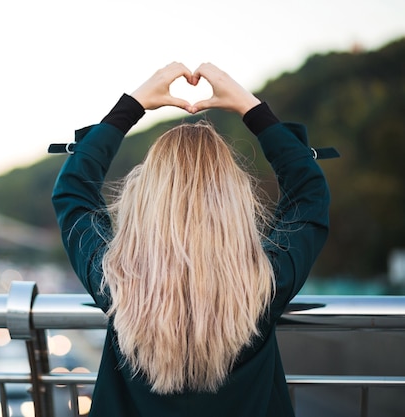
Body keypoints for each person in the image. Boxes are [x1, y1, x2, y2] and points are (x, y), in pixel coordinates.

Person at [50, 62, 333, 417]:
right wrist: (250, 107)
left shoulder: (115, 281)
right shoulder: (265, 283)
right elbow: (309, 193)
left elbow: (73, 192)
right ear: (235, 199)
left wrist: (131, 107)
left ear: (145, 198)